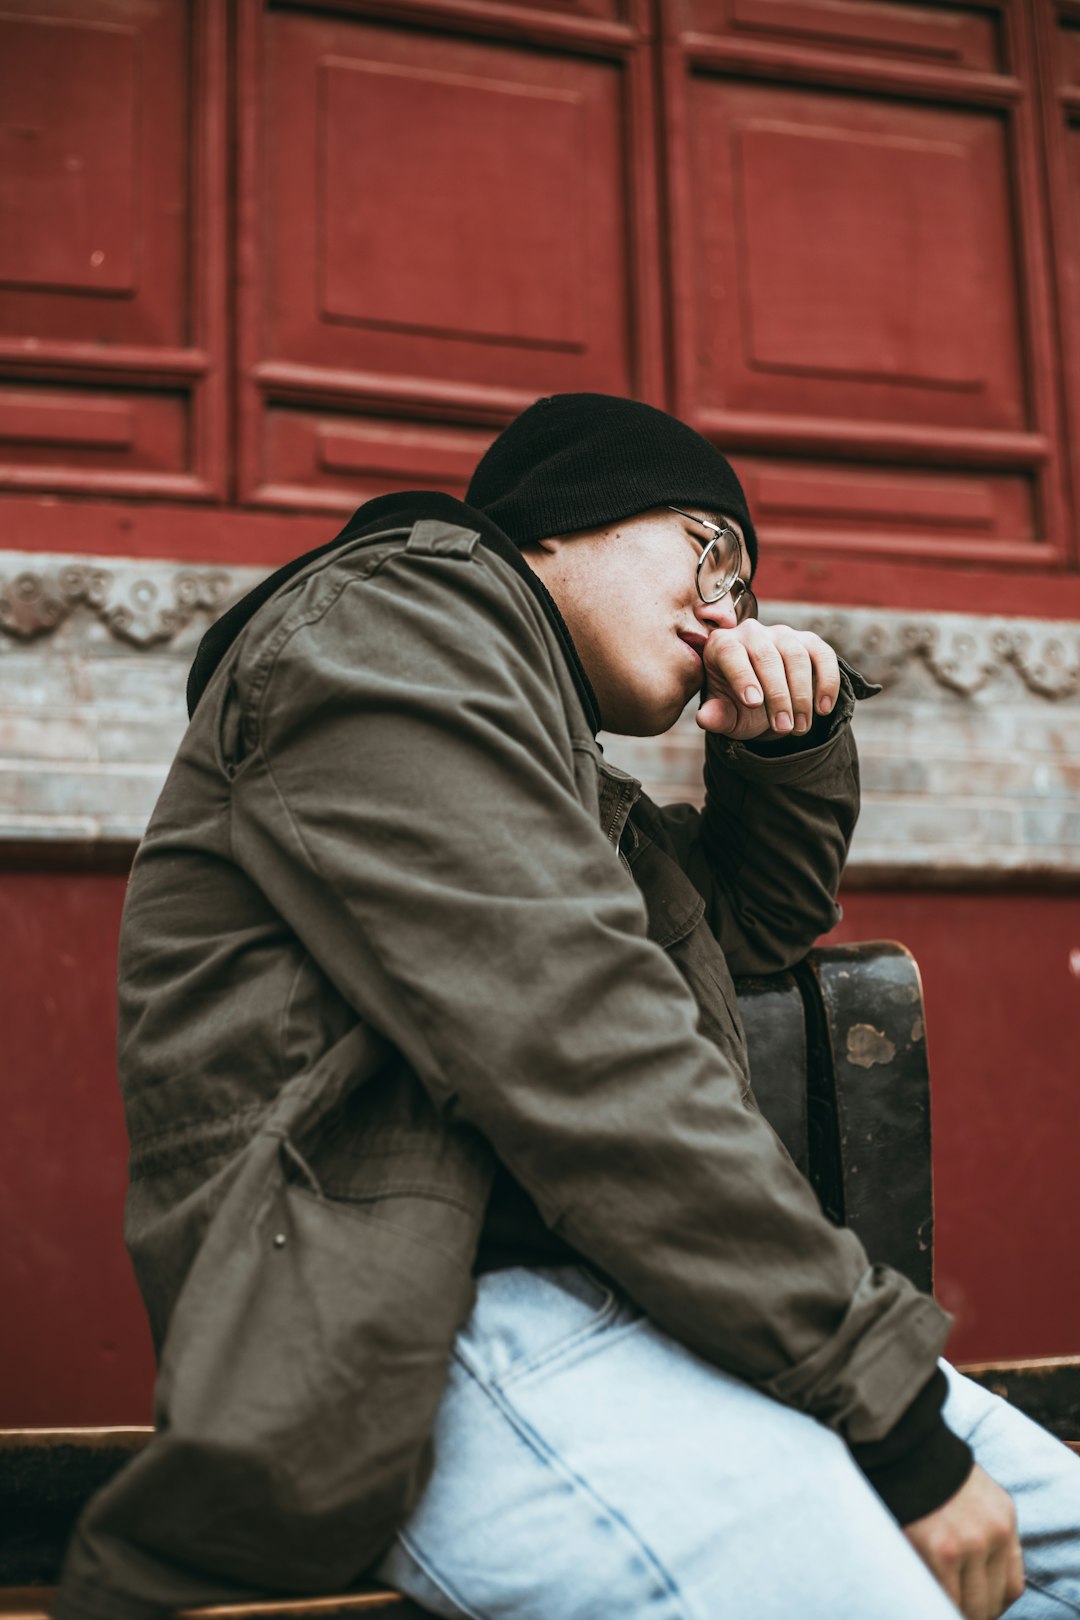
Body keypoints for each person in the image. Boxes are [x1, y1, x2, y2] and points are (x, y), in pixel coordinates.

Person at [55, 395, 1079, 1620]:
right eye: (714, 552)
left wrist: (782, 745)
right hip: (447, 1333)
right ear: (560, 520)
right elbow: (582, 1039)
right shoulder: (386, 622)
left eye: (744, 589)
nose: (729, 607)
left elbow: (751, 926)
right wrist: (895, 1416)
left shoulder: (573, 792)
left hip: (671, 1312)